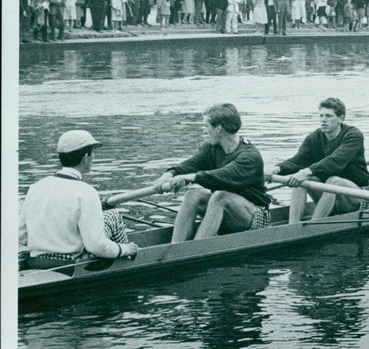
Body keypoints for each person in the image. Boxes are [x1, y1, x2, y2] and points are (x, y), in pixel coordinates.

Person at [18, 130, 138, 268]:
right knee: (114, 214)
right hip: (69, 264)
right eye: (93, 153)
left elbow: (21, 236)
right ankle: (127, 260)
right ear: (86, 157)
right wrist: (126, 248)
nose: (94, 156)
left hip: (37, 261)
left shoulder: (35, 187)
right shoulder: (86, 192)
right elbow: (96, 246)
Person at [154, 103, 272, 242]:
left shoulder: (249, 156)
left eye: (206, 126)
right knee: (193, 195)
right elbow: (191, 164)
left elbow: (223, 175)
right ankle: (176, 247)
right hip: (227, 212)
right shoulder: (211, 147)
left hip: (255, 215)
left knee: (220, 196)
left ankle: (195, 251)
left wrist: (190, 177)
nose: (204, 130)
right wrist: (169, 174)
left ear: (218, 128)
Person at [265, 98, 369, 223]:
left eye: (328, 116)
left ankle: (314, 226)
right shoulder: (313, 138)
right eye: (321, 115)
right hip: (330, 194)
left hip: (358, 197)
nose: (323, 120)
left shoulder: (353, 135)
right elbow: (298, 160)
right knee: (304, 179)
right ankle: (292, 227)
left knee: (333, 181)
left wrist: (306, 171)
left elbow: (334, 161)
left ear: (340, 118)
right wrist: (275, 169)